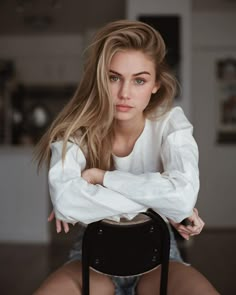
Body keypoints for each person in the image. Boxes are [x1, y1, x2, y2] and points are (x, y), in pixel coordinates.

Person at [34, 19, 219, 295]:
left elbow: (182, 199)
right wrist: (163, 203)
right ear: (100, 79)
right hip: (90, 256)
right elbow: (66, 200)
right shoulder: (74, 131)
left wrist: (103, 178)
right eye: (113, 77)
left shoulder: (171, 124)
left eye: (139, 80)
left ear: (155, 84)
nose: (124, 93)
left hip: (160, 257)